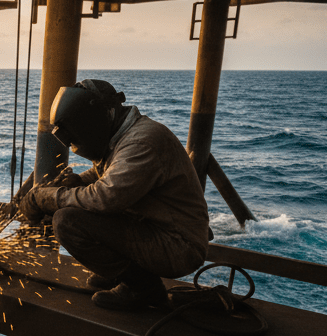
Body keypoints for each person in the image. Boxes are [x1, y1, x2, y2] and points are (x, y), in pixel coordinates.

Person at [19, 79, 211, 311]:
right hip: (155, 227)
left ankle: (144, 288)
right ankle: (119, 273)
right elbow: (105, 173)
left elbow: (104, 197)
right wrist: (78, 181)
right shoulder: (123, 135)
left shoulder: (141, 142)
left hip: (177, 246)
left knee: (67, 222)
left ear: (102, 117)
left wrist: (47, 198)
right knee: (73, 207)